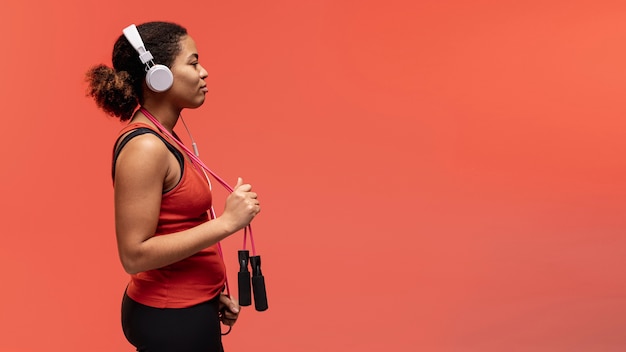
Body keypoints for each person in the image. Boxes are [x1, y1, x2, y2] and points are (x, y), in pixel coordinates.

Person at [85, 21, 261, 352]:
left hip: (188, 309)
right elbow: (134, 255)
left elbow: (177, 225)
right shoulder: (146, 147)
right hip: (170, 316)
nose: (204, 72)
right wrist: (227, 223)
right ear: (158, 76)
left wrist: (209, 296)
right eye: (193, 63)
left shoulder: (165, 136)